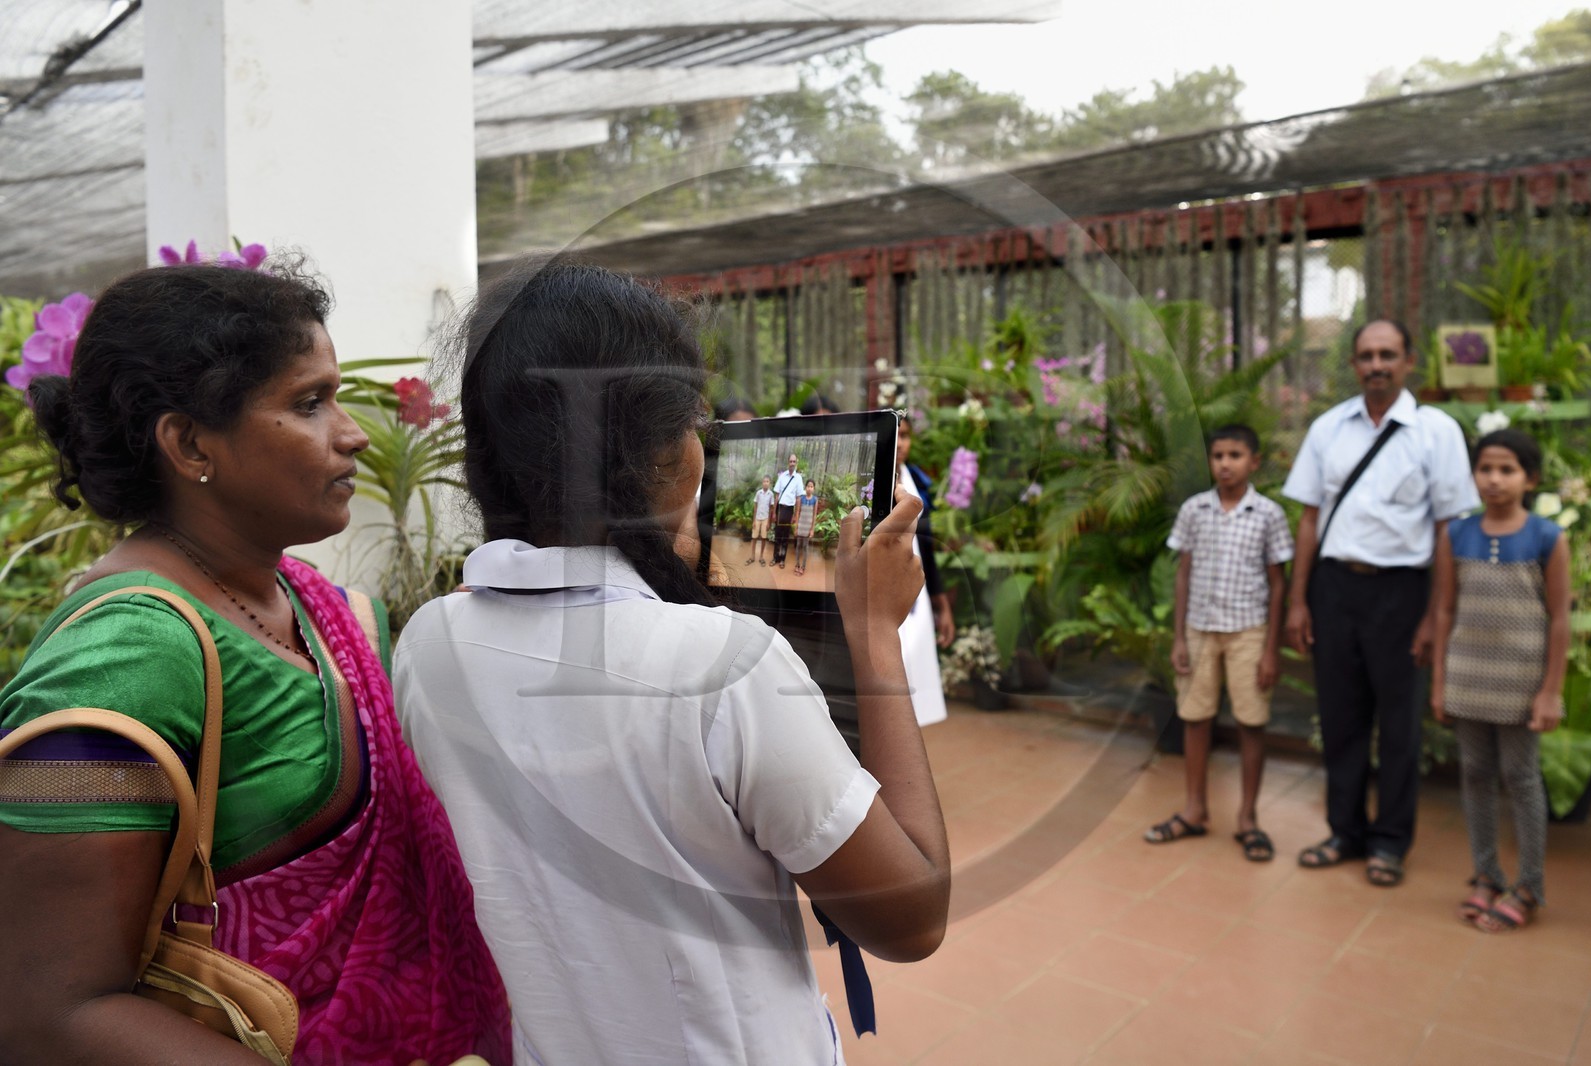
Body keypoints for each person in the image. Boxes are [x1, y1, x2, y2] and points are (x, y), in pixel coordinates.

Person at [393, 261, 950, 1066]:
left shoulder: (430, 643)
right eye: (691, 417)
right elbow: (913, 916)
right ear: (657, 453)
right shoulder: (727, 669)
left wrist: (668, 569)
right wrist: (872, 634)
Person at [0, 263, 510, 1065]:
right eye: (309, 403)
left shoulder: (313, 604)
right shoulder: (117, 660)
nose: (353, 434)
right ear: (190, 443)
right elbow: (48, 1011)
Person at [1283, 318, 1478, 887]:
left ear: (1409, 361)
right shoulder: (1328, 429)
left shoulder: (1436, 432)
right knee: (1341, 720)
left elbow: (1448, 529)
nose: (1376, 365)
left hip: (1403, 593)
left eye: (1388, 354)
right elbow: (1310, 518)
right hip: (1335, 589)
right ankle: (1344, 831)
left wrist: (1433, 618)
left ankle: (1390, 842)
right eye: (1366, 355)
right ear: (1353, 365)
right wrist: (1298, 602)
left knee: (1399, 727)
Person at [1431, 428, 1569, 932]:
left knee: (1522, 779)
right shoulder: (1456, 534)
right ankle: (1486, 874)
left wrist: (1550, 690)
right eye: (1485, 468)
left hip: (1521, 682)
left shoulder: (1547, 538)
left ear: (1529, 478)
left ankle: (1529, 884)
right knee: (1475, 773)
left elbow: (1558, 619)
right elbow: (1445, 609)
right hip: (1468, 676)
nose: (1494, 479)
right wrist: (1441, 683)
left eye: (1507, 470)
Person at [1145, 425, 1294, 862]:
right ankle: (1195, 809)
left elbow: (1277, 583)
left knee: (1251, 722)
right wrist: (1178, 636)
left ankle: (1248, 818)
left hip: (1249, 631)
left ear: (1254, 462)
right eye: (1218, 456)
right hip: (1200, 629)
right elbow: (1184, 573)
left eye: (1235, 455)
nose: (1225, 463)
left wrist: (1270, 649)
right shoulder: (1195, 510)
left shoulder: (1268, 514)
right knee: (1195, 717)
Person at [896, 419, 954, 727]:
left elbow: (927, 546)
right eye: (896, 435)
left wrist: (940, 602)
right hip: (887, 593)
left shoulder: (915, 478)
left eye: (906, 436)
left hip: (917, 592)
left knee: (916, 677)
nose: (902, 443)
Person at [772, 451, 805, 568]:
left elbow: (798, 498)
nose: (792, 463)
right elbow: (776, 495)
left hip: (789, 510)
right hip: (780, 509)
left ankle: (782, 560)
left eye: (794, 461)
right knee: (777, 535)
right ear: (788, 462)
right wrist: (774, 512)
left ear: (796, 463)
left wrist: (796, 515)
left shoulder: (798, 478)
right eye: (790, 461)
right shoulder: (782, 477)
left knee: (785, 536)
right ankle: (775, 558)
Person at [794, 478, 820, 575]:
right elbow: (797, 513)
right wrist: (796, 527)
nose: (809, 488)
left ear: (813, 488)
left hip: (808, 527)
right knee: (798, 546)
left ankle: (803, 567)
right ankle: (797, 564)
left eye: (811, 486)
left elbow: (814, 515)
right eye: (808, 486)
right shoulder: (801, 499)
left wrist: (812, 529)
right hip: (800, 525)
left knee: (805, 547)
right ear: (805, 487)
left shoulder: (815, 500)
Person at [747, 474, 774, 565]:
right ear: (762, 483)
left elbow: (771, 509)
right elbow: (755, 507)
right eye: (764, 481)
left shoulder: (771, 494)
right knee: (754, 537)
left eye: (767, 481)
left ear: (769, 483)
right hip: (757, 518)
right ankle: (752, 556)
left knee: (763, 538)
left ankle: (761, 557)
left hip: (765, 518)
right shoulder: (758, 493)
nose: (765, 483)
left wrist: (769, 522)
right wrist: (754, 520)